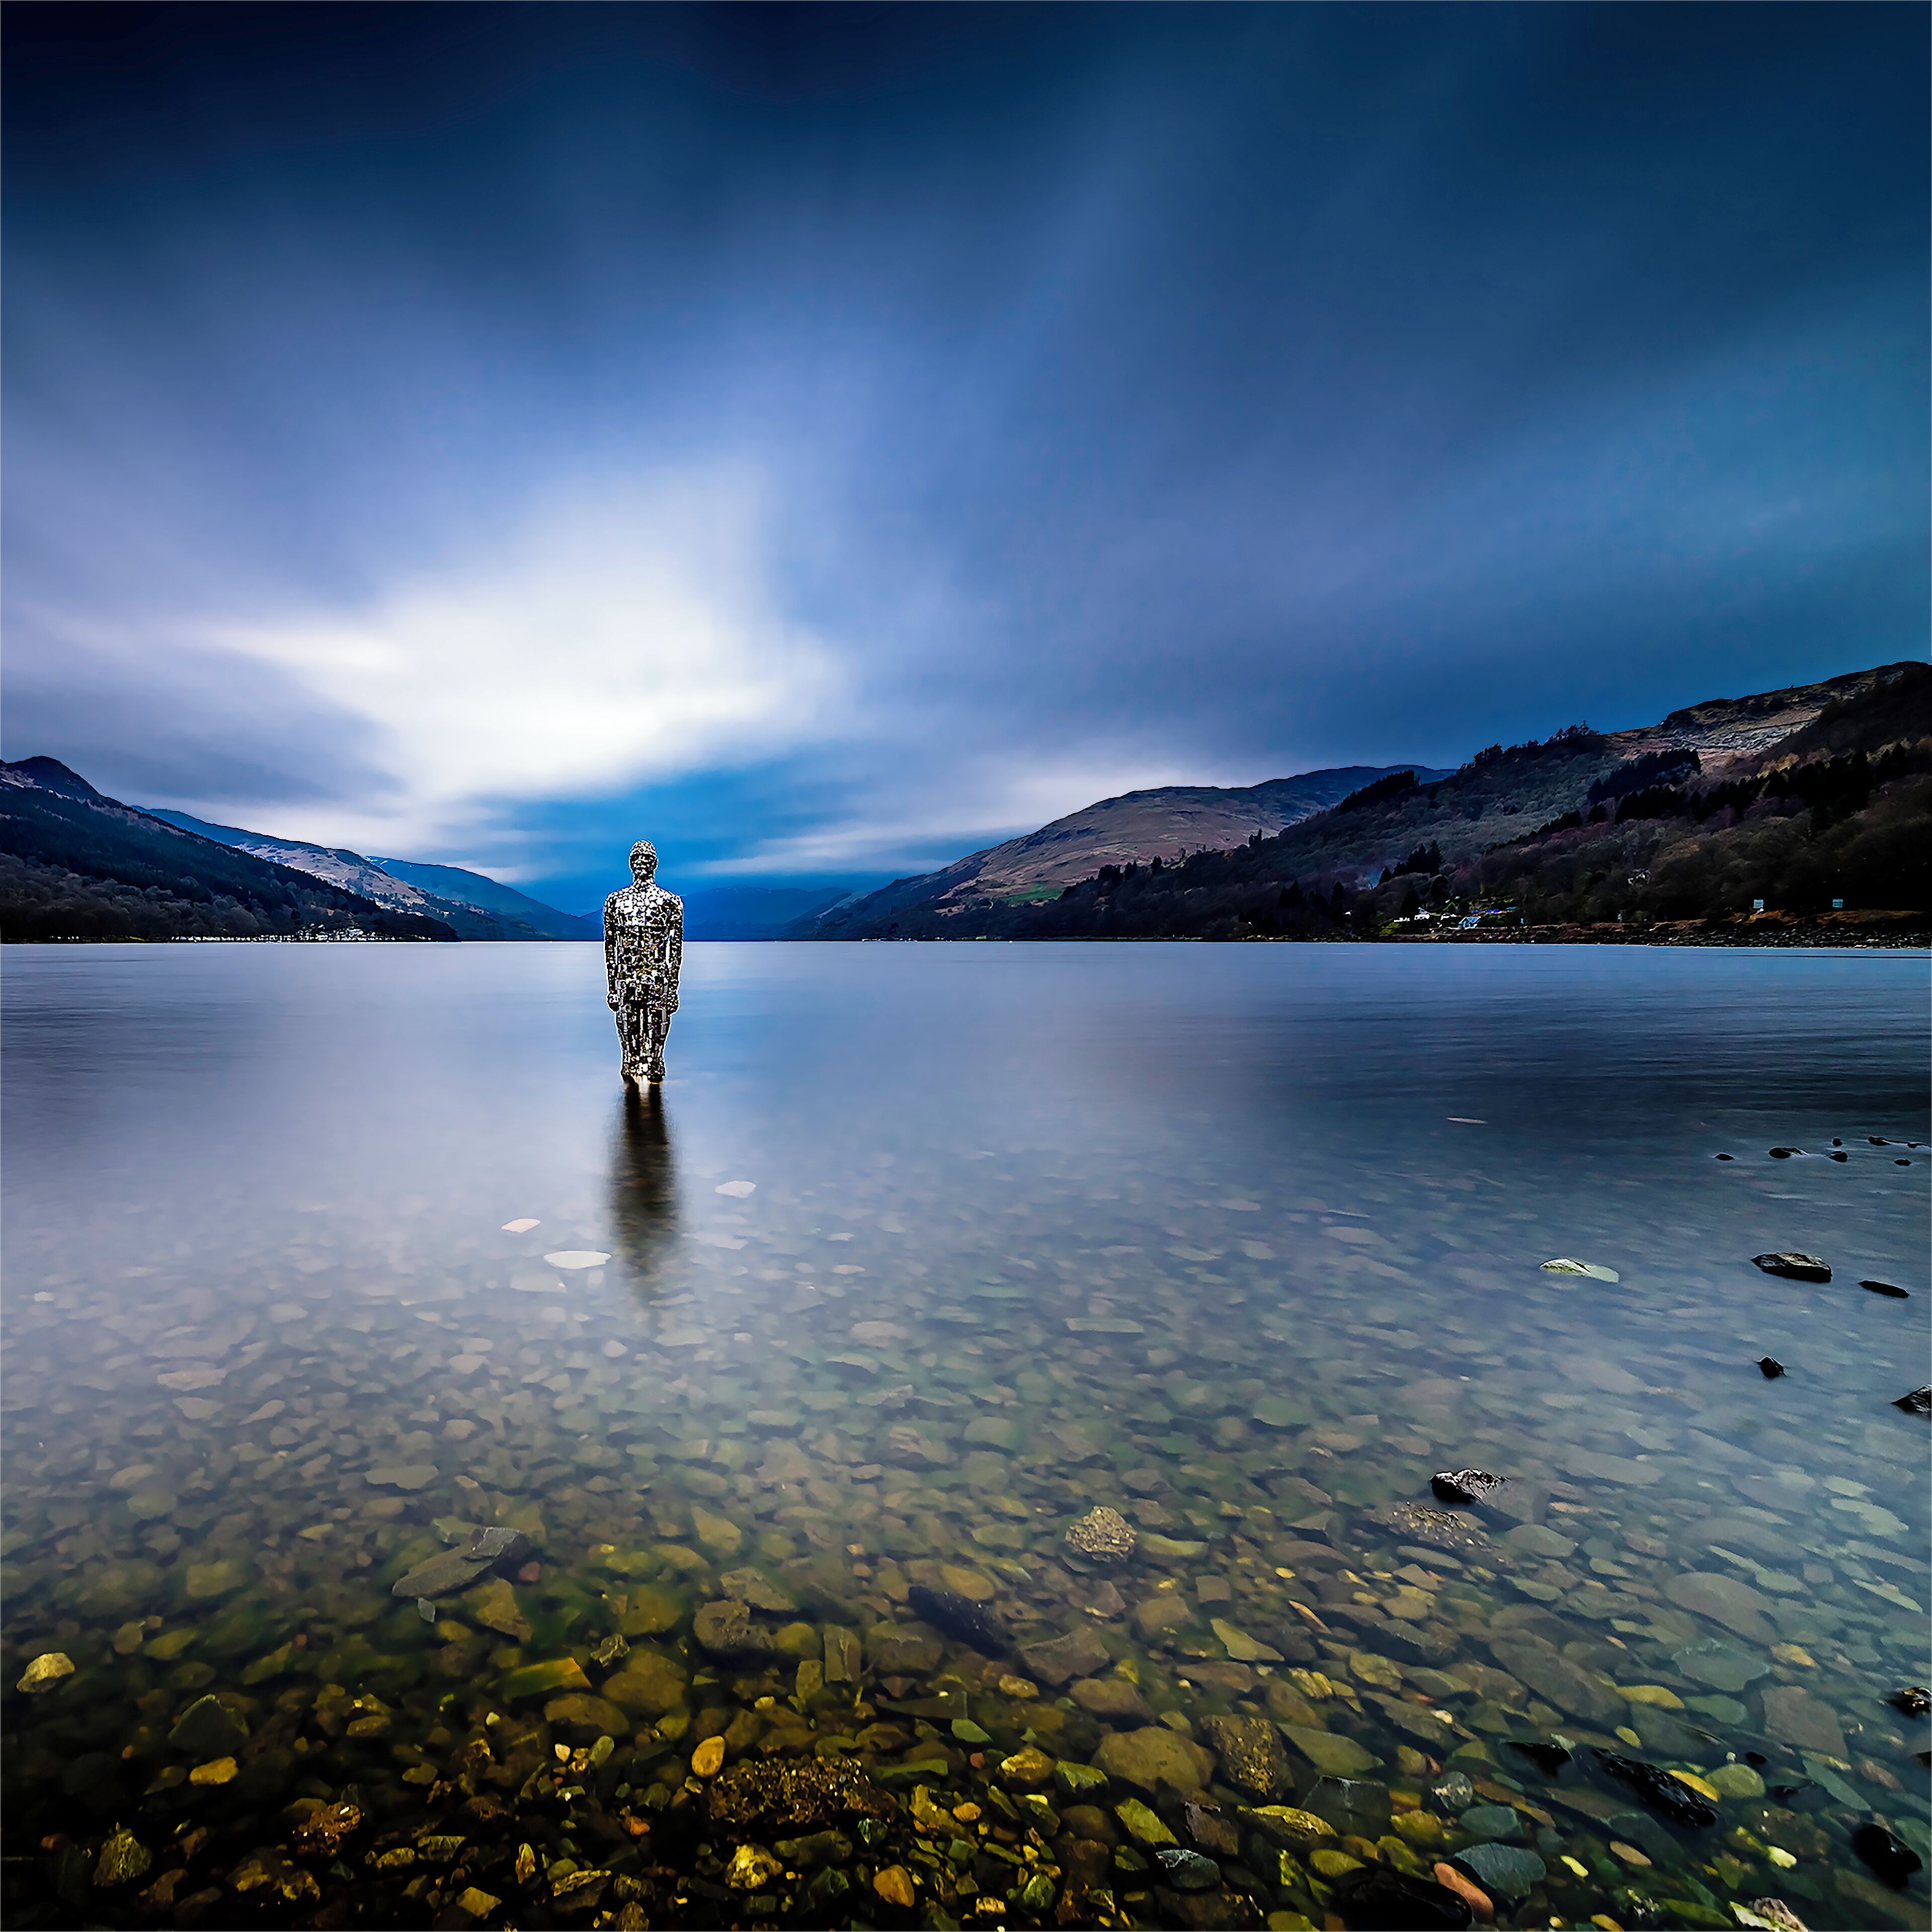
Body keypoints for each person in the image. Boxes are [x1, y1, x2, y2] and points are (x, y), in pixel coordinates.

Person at [604, 841, 682, 1085]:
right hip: (626, 976)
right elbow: (610, 948)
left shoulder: (670, 903)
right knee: (628, 1024)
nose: (641, 862)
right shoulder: (615, 903)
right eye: (637, 858)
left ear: (655, 864)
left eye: (646, 858)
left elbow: (676, 950)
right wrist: (612, 986)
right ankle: (630, 1059)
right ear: (630, 863)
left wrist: (673, 988)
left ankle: (656, 1060)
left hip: (658, 976)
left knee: (658, 1025)